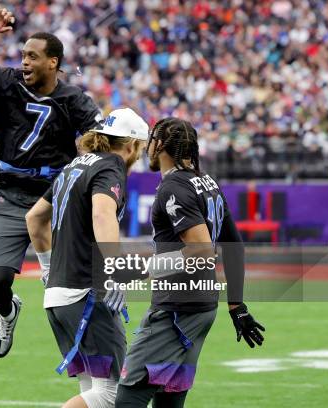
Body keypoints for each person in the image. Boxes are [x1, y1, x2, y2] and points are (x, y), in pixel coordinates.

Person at [0, 5, 101, 358]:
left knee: (69, 287)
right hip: (10, 193)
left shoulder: (73, 99)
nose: (24, 62)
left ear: (53, 63)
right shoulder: (7, 80)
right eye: (23, 55)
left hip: (53, 197)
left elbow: (100, 142)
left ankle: (91, 351)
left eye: (33, 56)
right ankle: (8, 311)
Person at [114, 118, 266, 407]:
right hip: (200, 309)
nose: (147, 147)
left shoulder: (173, 187)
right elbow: (234, 245)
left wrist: (140, 269)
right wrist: (237, 305)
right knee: (168, 401)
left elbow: (201, 250)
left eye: (151, 141)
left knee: (126, 399)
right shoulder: (206, 181)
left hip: (175, 313)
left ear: (160, 146)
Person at [26, 108, 149, 408]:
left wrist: (46, 268)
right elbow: (101, 213)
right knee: (109, 396)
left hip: (58, 294)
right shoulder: (111, 165)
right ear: (132, 145)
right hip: (86, 292)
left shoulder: (75, 165)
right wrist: (116, 270)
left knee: (92, 389)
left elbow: (34, 218)